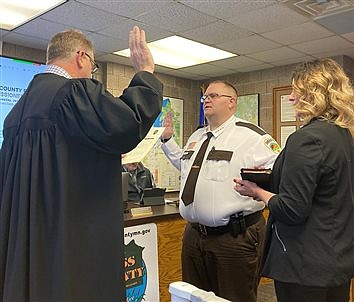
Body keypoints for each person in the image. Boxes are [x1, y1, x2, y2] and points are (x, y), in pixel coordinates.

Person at [0, 26, 163, 302]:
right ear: (81, 58)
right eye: (93, 66)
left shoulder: (16, 113)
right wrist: (145, 74)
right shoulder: (72, 93)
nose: (91, 73)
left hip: (30, 241)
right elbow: (126, 123)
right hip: (71, 241)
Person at [234, 58, 354, 302]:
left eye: (295, 91)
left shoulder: (306, 138)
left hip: (304, 265)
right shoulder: (343, 136)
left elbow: (291, 209)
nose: (290, 97)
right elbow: (326, 189)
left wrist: (257, 192)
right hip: (336, 260)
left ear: (314, 93)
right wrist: (271, 179)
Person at [160, 80, 280, 301]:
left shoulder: (251, 136)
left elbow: (278, 171)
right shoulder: (197, 136)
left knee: (234, 298)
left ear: (231, 102)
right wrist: (167, 139)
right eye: (206, 96)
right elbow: (185, 167)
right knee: (193, 297)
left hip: (234, 237)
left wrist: (259, 191)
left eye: (214, 96)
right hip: (194, 236)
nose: (207, 99)